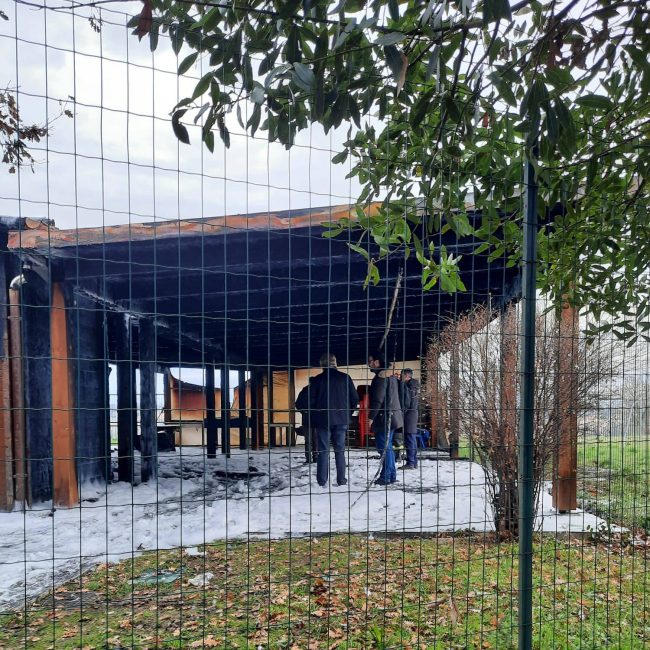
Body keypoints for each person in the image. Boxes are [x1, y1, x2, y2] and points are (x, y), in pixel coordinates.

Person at [309, 353, 359, 487]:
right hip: (341, 419)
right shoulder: (345, 378)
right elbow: (354, 399)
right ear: (335, 363)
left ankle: (322, 481)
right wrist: (347, 413)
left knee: (323, 451)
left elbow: (310, 401)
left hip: (323, 420)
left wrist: (316, 414)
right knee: (340, 450)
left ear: (322, 364)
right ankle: (341, 480)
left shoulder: (317, 380)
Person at [368, 354, 404, 486]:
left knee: (384, 448)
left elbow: (378, 400)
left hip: (384, 418)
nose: (369, 364)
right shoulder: (392, 377)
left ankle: (386, 477)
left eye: (370, 361)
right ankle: (391, 475)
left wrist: (371, 417)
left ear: (377, 362)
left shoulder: (381, 378)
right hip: (393, 416)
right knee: (387, 447)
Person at [399, 368, 420, 470]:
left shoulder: (408, 387)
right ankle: (413, 462)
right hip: (413, 413)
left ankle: (410, 463)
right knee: (412, 438)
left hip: (409, 414)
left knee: (409, 438)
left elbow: (407, 402)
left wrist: (402, 411)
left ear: (407, 376)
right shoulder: (414, 386)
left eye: (401, 375)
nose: (400, 377)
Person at [295, 379, 317, 464]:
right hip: (317, 418)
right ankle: (315, 457)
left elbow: (297, 403)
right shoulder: (319, 390)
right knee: (315, 439)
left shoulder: (305, 390)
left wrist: (303, 411)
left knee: (308, 440)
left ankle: (308, 458)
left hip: (307, 418)